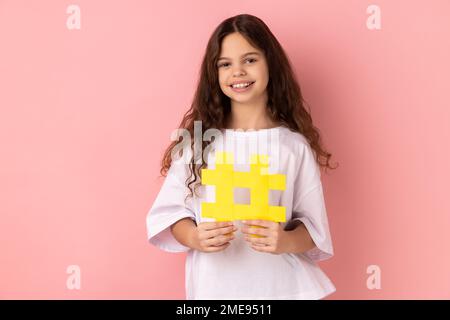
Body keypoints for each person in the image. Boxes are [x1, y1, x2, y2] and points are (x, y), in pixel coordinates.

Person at [146, 13, 338, 300]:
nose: (238, 72)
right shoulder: (197, 144)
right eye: (225, 64)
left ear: (270, 64)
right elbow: (171, 214)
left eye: (249, 59)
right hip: (214, 290)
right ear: (215, 75)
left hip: (283, 288)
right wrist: (194, 237)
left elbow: (313, 230)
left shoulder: (293, 147)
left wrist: (285, 240)